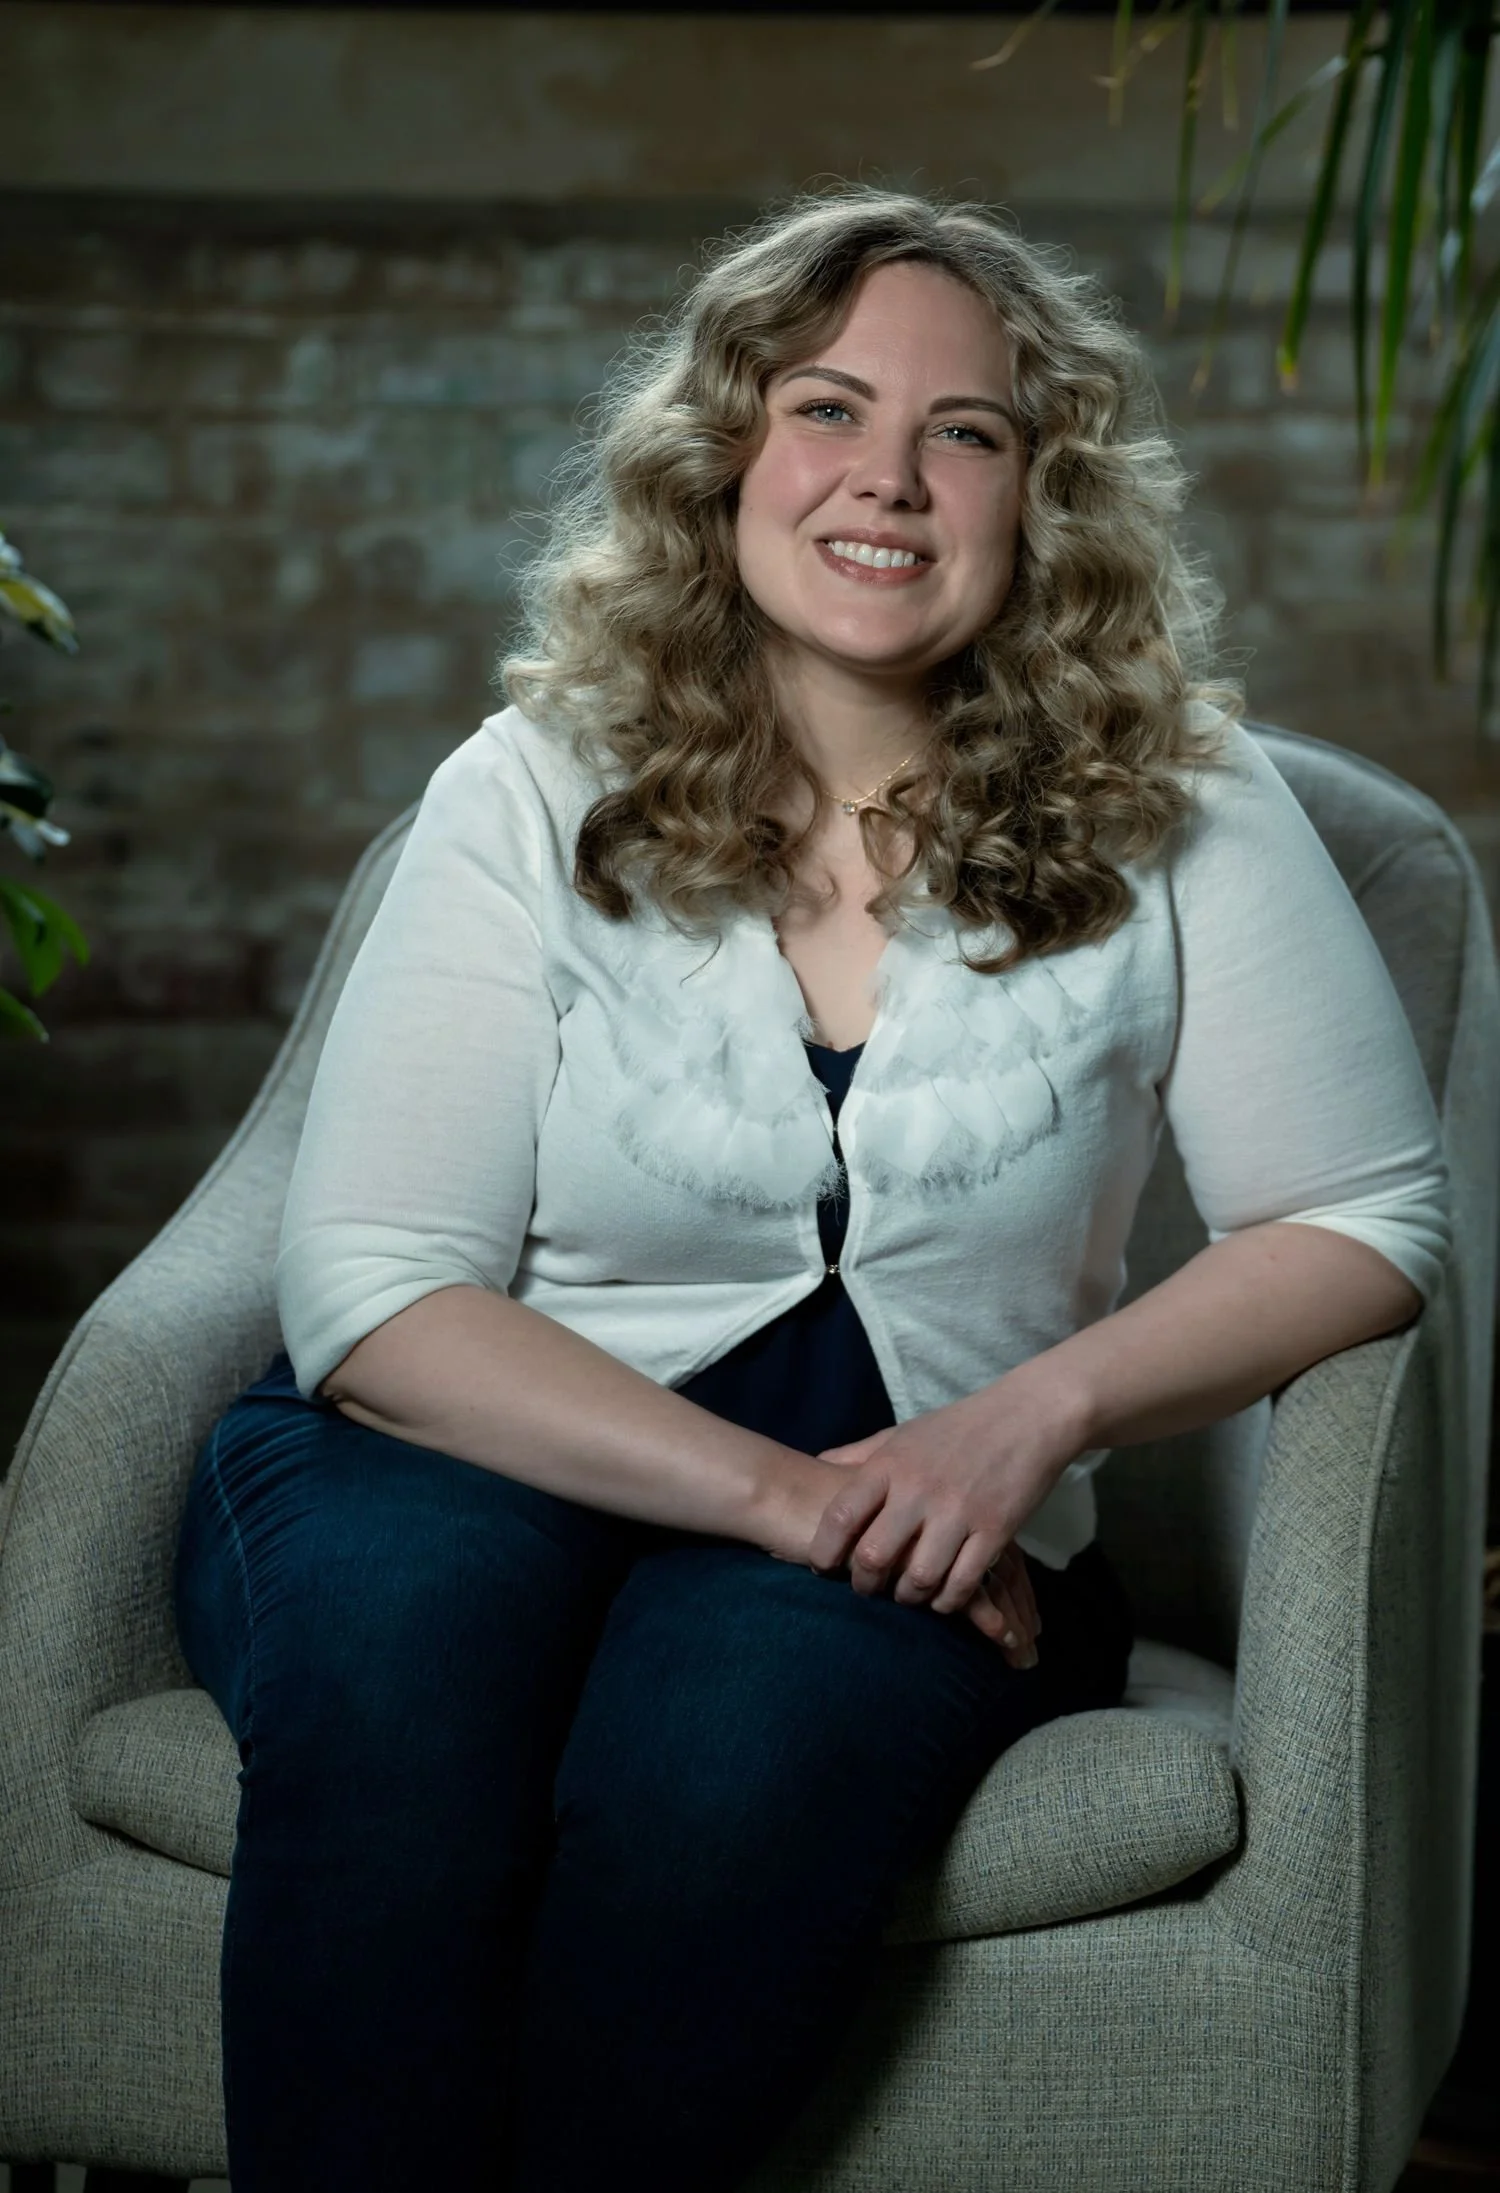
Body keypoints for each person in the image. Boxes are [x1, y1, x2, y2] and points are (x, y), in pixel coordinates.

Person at [172, 186, 1451, 2193]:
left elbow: (1367, 1214)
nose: (891, 479)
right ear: (726, 460)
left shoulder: (1183, 797)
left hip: (922, 1510)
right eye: (829, 409)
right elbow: (373, 1291)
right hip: (459, 1451)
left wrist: (1019, 1427)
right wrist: (793, 1498)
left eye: (969, 431)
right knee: (407, 1687)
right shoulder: (525, 786)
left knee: (723, 1780)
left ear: (1044, 497)